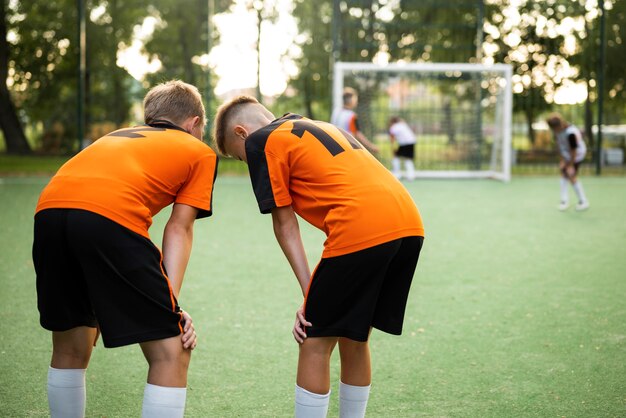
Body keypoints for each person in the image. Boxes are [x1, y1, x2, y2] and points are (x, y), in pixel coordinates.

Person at [213, 96, 424, 418]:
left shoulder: (259, 141)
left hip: (363, 228)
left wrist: (307, 292)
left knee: (314, 341)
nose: (246, 162)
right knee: (354, 338)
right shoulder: (316, 124)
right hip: (408, 225)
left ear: (242, 133)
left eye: (239, 158)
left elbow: (285, 224)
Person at [33, 80, 218, 418]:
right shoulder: (199, 151)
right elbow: (179, 227)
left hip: (48, 213)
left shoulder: (114, 136)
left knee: (72, 346)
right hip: (108, 217)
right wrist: (170, 307)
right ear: (194, 123)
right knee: (172, 348)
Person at [546, 113, 590, 211]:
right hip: (567, 154)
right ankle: (564, 200)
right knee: (564, 174)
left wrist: (570, 165)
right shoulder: (557, 131)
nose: (554, 131)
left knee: (571, 175)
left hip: (577, 155)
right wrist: (562, 160)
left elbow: (573, 151)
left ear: (558, 126)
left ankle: (583, 201)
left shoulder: (571, 133)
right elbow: (559, 146)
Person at [331, 87, 380, 154]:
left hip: (334, 146)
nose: (356, 102)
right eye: (356, 99)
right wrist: (371, 146)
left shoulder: (336, 112)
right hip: (346, 148)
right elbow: (358, 134)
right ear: (352, 100)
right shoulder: (351, 116)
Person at [388, 116, 417, 180]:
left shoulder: (393, 127)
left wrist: (393, 148)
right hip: (412, 141)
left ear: (392, 122)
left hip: (404, 143)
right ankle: (411, 175)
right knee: (408, 158)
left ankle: (397, 174)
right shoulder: (403, 124)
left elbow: (392, 138)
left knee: (396, 157)